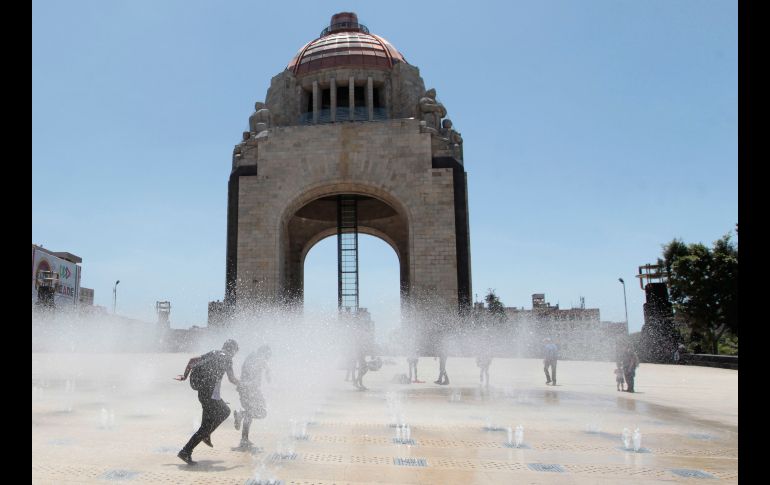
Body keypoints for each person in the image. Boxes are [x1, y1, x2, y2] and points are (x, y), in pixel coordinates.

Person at [175, 339, 240, 465]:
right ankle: (186, 450)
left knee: (206, 424)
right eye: (235, 352)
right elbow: (232, 379)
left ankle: (199, 441)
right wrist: (243, 384)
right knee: (225, 412)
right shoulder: (228, 358)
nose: (234, 354)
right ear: (232, 350)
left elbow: (192, 361)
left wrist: (184, 376)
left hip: (202, 393)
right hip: (210, 395)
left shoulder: (214, 352)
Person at [233, 345, 271, 449]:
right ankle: (241, 417)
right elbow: (263, 366)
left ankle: (244, 439)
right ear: (264, 353)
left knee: (251, 413)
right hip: (250, 390)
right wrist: (268, 373)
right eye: (268, 354)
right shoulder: (259, 358)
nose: (269, 356)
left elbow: (249, 370)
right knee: (260, 412)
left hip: (246, 389)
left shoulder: (251, 357)